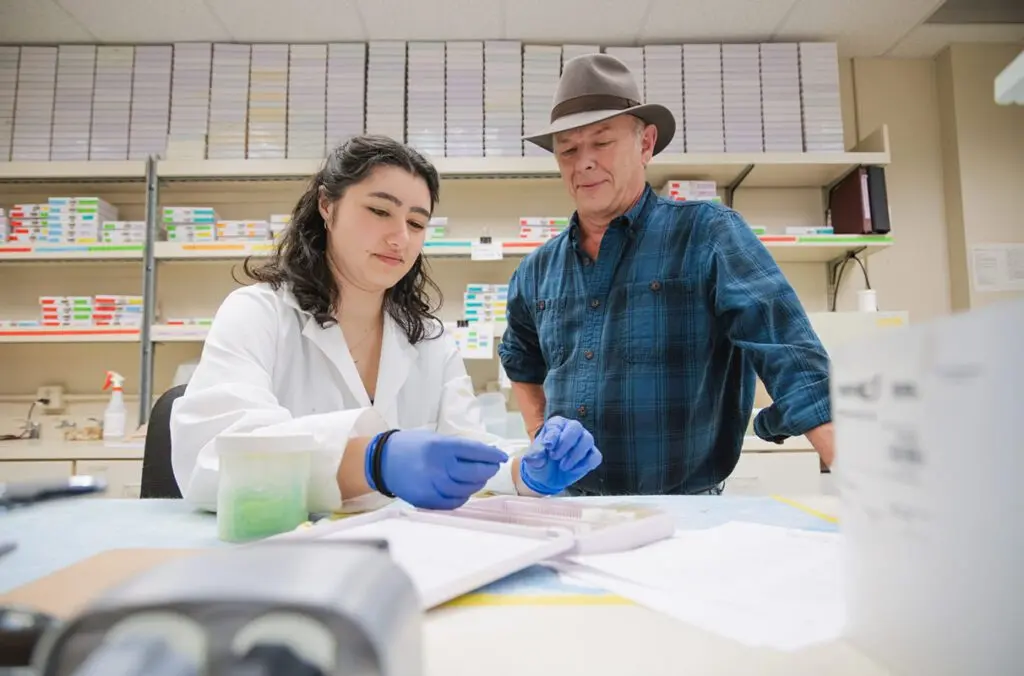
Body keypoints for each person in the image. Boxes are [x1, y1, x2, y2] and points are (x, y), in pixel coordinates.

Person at [170, 135, 602, 514]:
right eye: (379, 211)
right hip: (283, 556)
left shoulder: (430, 341)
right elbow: (212, 461)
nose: (400, 238)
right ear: (326, 206)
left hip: (402, 555)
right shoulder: (257, 314)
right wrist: (372, 461)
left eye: (416, 223)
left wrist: (525, 470)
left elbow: (468, 451)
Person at [498, 54, 834, 496]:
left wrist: (865, 484)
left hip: (685, 510)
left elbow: (789, 351)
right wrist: (541, 434)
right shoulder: (537, 269)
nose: (584, 163)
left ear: (646, 144)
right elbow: (520, 359)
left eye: (602, 141)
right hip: (570, 506)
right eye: (568, 150)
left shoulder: (708, 234)